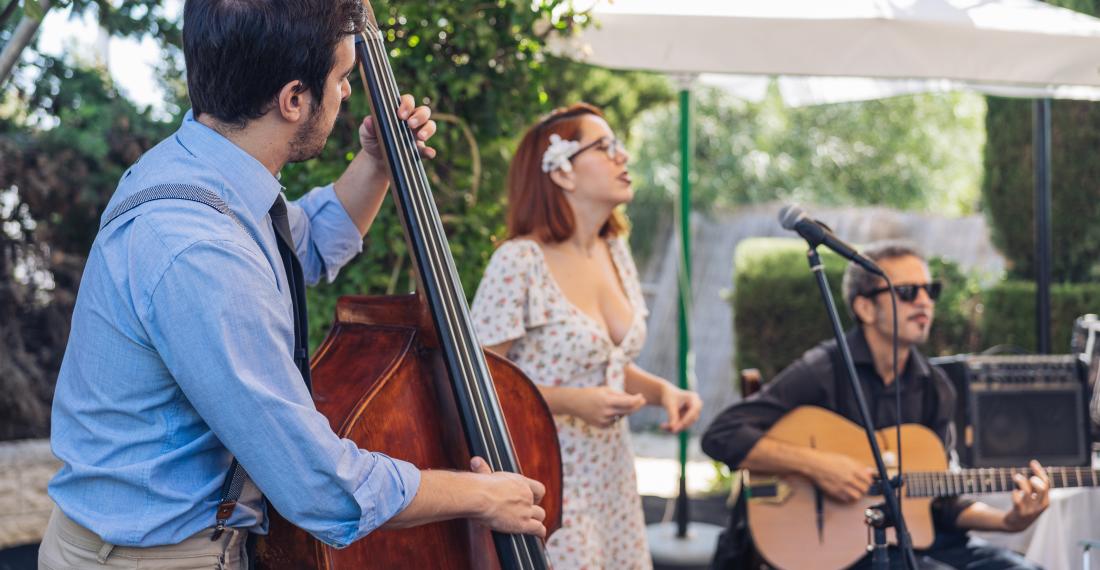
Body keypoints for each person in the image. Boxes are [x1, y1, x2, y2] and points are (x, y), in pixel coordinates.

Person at [40, 1, 545, 568]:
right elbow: (317, 483)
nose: (350, 93)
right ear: (294, 99)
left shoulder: (200, 170)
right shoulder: (200, 249)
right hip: (152, 558)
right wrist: (482, 493)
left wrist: (377, 163)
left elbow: (296, 246)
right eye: (343, 78)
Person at [702, 241, 1050, 570]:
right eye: (907, 292)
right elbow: (722, 434)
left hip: (919, 543)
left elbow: (940, 502)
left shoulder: (935, 388)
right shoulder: (823, 370)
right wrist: (819, 465)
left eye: (931, 291)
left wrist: (1010, 521)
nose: (924, 302)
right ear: (865, 307)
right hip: (841, 552)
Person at [470, 103, 704, 569]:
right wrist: (572, 402)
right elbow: (477, 384)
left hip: (613, 479)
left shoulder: (615, 250)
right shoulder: (520, 262)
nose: (624, 156)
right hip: (546, 482)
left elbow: (609, 365)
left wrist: (663, 392)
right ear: (561, 173)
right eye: (605, 146)